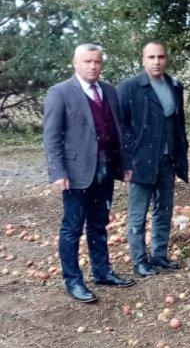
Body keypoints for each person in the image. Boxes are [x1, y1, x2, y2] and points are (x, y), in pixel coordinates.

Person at [43, 43, 135, 303]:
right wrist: (57, 172)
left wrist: (125, 164)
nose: (93, 66)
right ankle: (73, 281)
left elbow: (119, 131)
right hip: (75, 173)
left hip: (105, 170)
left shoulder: (108, 91)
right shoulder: (59, 93)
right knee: (72, 228)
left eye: (97, 62)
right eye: (87, 62)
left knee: (99, 224)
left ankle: (102, 272)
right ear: (75, 63)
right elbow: (52, 137)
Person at [117, 42, 190, 278]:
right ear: (143, 60)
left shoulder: (174, 85)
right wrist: (131, 155)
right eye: (151, 57)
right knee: (138, 213)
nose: (156, 61)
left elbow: (179, 123)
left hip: (168, 159)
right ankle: (140, 260)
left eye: (160, 56)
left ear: (166, 59)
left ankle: (159, 255)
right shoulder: (130, 88)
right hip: (142, 161)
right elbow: (120, 125)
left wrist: (181, 150)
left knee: (164, 209)